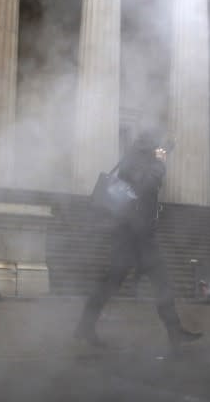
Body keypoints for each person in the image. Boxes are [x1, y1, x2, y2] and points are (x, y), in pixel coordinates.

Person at [76, 131, 202, 353]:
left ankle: (174, 332)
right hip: (130, 236)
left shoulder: (139, 159)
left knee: (159, 283)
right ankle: (85, 326)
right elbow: (145, 187)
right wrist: (160, 165)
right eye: (156, 145)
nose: (158, 150)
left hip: (139, 235)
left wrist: (163, 155)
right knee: (112, 283)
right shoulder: (134, 162)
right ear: (147, 146)